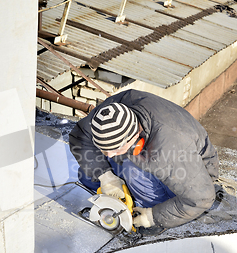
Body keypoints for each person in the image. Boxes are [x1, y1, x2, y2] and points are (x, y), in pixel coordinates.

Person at [69, 89, 219, 233]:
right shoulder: (112, 112)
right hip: (158, 148)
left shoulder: (170, 149)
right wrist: (105, 176)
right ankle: (129, 190)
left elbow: (201, 198)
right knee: (88, 172)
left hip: (191, 174)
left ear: (134, 140)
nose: (109, 155)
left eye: (115, 150)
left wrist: (153, 217)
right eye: (105, 149)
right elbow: (80, 136)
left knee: (132, 171)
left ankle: (151, 206)